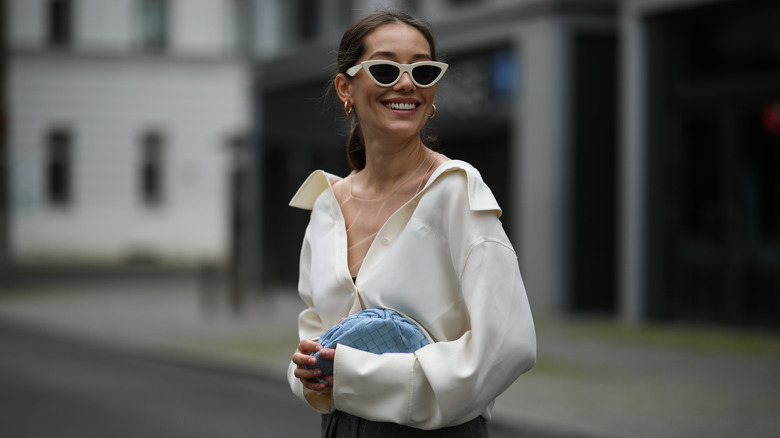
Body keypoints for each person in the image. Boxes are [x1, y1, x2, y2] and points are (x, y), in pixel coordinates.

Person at [288, 10, 536, 437]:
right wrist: (306, 372)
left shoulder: (456, 191)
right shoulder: (326, 206)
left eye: (422, 71)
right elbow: (313, 333)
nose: (406, 84)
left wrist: (355, 375)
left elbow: (509, 345)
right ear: (345, 87)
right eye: (385, 69)